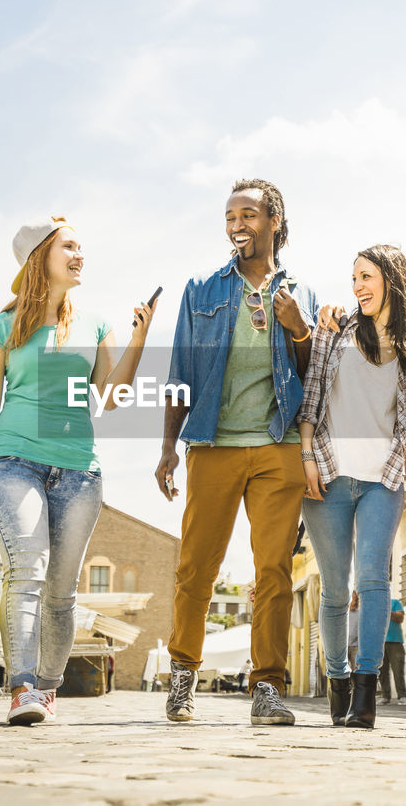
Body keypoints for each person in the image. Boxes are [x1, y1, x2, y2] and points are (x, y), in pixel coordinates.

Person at [0, 216, 157, 726]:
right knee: (27, 570)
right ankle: (22, 688)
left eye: (83, 247)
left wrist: (138, 341)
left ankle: (48, 690)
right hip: (13, 460)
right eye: (70, 247)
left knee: (62, 591)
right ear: (40, 257)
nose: (81, 255)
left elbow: (110, 398)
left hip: (79, 470)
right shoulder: (1, 327)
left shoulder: (95, 323)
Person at [155, 179, 318, 726]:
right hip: (214, 442)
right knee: (196, 567)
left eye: (248, 214)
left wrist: (300, 331)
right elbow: (179, 371)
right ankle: (182, 676)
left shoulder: (301, 293)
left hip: (278, 444)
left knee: (272, 571)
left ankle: (267, 687)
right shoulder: (201, 289)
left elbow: (312, 376)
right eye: (229, 216)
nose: (236, 224)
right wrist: (167, 449)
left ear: (274, 221)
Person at [300, 244, 406, 729]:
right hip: (328, 473)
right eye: (354, 279)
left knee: (373, 582)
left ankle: (366, 694)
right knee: (334, 590)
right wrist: (306, 455)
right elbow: (311, 399)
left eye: (367, 277)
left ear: (392, 279)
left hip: (384, 478)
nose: (358, 287)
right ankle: (338, 681)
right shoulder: (336, 331)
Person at [378, 598, 406, 706]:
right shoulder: (375, 604)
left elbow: (400, 618)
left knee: (398, 670)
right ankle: (385, 696)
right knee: (382, 671)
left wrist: (386, 611)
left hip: (395, 641)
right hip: (379, 642)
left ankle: (402, 696)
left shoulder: (395, 602)